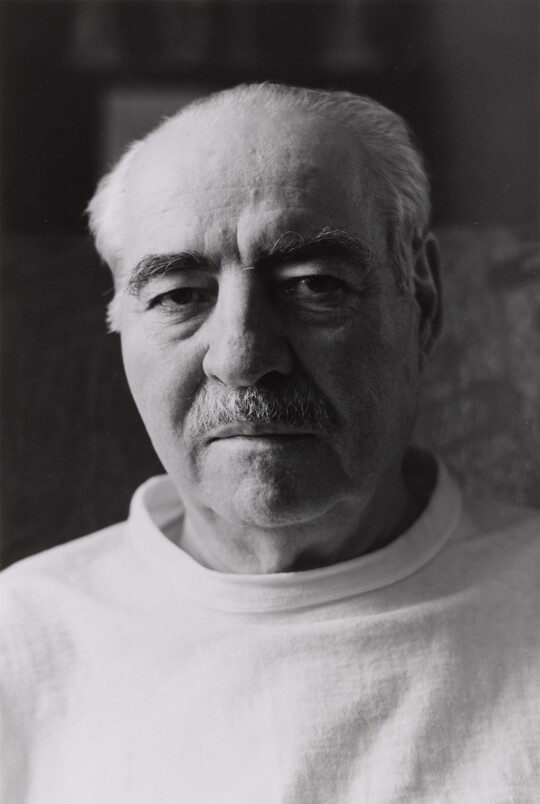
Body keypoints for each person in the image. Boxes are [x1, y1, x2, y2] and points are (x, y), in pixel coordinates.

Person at [1, 83, 538, 803]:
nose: (244, 355)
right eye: (180, 295)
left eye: (313, 284)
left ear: (423, 299)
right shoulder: (22, 641)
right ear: (121, 329)